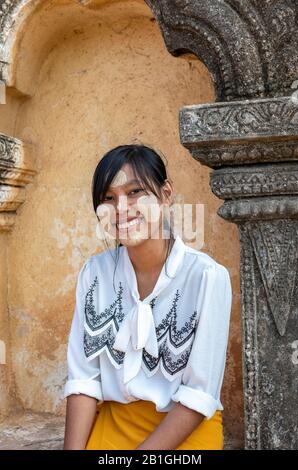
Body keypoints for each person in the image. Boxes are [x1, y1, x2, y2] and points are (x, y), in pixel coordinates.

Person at [63, 144, 232, 450]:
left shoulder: (206, 277)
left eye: (135, 192)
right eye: (109, 199)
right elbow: (83, 380)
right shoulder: (95, 274)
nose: (121, 209)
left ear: (166, 194)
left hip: (184, 430)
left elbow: (198, 393)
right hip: (114, 425)